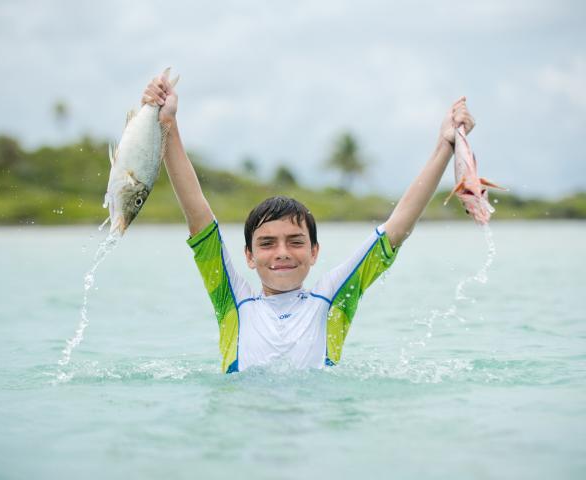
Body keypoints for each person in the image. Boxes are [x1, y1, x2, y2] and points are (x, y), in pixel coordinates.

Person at [141, 70, 475, 373]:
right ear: (249, 256)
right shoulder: (232, 299)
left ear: (314, 252)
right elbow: (197, 214)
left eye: (295, 241)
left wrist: (445, 145)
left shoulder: (332, 298)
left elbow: (397, 227)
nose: (282, 252)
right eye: (267, 243)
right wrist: (168, 125)